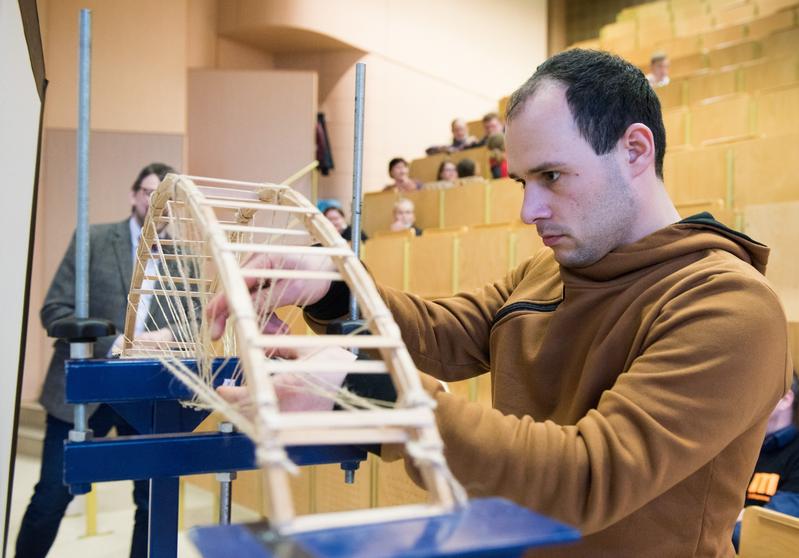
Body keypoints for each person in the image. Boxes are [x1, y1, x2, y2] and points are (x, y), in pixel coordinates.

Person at [206, 50, 791, 557]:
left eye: (553, 176)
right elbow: (442, 332)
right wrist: (334, 286)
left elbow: (588, 479)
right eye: (522, 183)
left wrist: (372, 397)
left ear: (635, 150)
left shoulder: (730, 307)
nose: (529, 210)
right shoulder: (550, 269)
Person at [16, 162, 177, 558]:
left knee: (154, 502)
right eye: (150, 193)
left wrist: (169, 338)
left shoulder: (182, 261)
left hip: (145, 395)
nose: (158, 205)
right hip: (85, 387)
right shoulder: (93, 240)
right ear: (133, 195)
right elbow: (54, 310)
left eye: (168, 199)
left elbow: (191, 323)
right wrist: (116, 342)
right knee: (52, 497)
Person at [732, 377, 799, 550]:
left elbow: (772, 530)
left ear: (786, 399)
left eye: (757, 392)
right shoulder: (738, 445)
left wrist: (721, 523)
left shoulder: (795, 452)